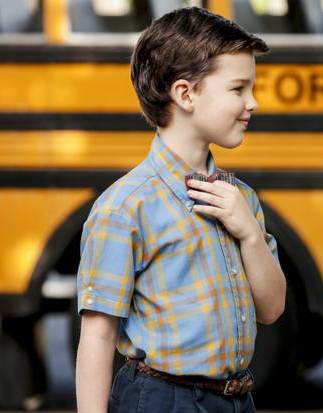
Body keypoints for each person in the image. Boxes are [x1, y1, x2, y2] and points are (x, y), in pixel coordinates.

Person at [75, 7, 286, 413]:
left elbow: (272, 309)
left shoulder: (239, 198)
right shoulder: (124, 207)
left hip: (237, 399)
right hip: (160, 398)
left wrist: (249, 233)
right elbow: (98, 336)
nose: (253, 102)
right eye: (238, 88)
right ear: (185, 94)